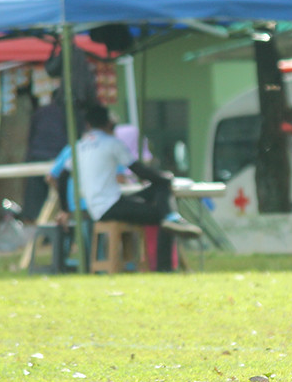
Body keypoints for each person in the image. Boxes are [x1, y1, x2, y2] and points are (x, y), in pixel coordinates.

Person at [58, 105, 201, 272]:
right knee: (160, 214)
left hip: (98, 206)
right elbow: (139, 171)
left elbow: (62, 177)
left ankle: (171, 217)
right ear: (109, 124)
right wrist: (165, 177)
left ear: (88, 125)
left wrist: (64, 209)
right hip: (111, 205)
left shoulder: (79, 147)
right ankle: (164, 264)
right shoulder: (112, 143)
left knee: (160, 188)